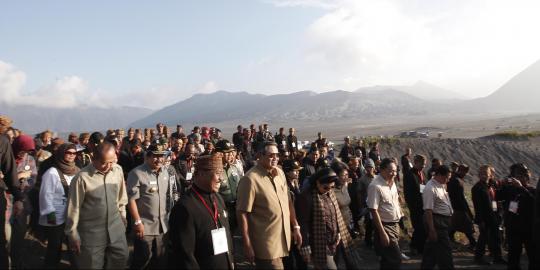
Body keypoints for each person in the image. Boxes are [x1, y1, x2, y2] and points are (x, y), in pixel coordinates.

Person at [236, 142, 302, 269]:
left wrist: (296, 227)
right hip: (266, 245)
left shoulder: (280, 173)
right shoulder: (250, 179)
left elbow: (288, 201)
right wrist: (247, 244)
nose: (275, 158)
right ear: (260, 156)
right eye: (271, 155)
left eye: (277, 155)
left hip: (284, 239)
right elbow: (242, 213)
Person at [65, 142, 129, 269]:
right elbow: (73, 208)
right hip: (91, 234)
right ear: (94, 159)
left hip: (116, 229)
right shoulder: (81, 178)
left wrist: (122, 215)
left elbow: (122, 197)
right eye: (104, 162)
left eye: (111, 162)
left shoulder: (117, 170)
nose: (108, 166)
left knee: (121, 260)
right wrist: (73, 234)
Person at [168, 153, 234, 269]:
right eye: (217, 174)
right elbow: (185, 255)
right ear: (201, 174)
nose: (221, 179)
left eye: (221, 173)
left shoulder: (217, 198)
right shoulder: (184, 207)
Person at [296, 168, 358, 269]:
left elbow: (336, 214)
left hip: (334, 241)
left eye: (332, 187)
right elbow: (303, 223)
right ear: (317, 183)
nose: (329, 190)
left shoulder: (330, 193)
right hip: (318, 244)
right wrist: (305, 246)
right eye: (326, 187)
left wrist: (338, 232)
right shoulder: (306, 197)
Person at [127, 141, 174, 269]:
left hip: (163, 226)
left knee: (161, 260)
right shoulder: (136, 173)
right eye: (155, 156)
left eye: (161, 156)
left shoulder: (165, 172)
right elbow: (131, 200)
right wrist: (137, 222)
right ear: (147, 156)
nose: (159, 159)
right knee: (142, 261)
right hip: (145, 226)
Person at [39, 143, 79, 268]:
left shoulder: (77, 171)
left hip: (71, 213)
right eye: (68, 153)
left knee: (73, 244)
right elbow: (46, 194)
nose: (71, 155)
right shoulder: (52, 172)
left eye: (74, 153)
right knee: (55, 246)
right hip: (55, 215)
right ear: (62, 153)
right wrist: (50, 213)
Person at [367, 158, 404, 270]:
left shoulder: (391, 182)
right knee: (396, 259)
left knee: (387, 260)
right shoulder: (375, 186)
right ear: (381, 170)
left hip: (394, 224)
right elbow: (373, 210)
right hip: (385, 226)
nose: (394, 173)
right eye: (391, 171)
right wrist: (382, 233)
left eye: (395, 171)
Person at [498, 163, 535, 269]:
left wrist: (521, 188)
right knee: (513, 257)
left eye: (520, 176)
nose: (517, 179)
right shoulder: (510, 190)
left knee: (533, 256)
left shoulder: (532, 190)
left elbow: (533, 201)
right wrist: (502, 186)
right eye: (515, 176)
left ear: (526, 178)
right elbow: (498, 197)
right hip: (513, 228)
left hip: (529, 229)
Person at [10, 134, 38, 268]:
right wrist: (19, 176)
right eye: (22, 150)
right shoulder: (6, 157)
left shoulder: (30, 160)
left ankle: (18, 261)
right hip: (7, 200)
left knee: (20, 235)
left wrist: (21, 187)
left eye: (27, 151)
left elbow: (32, 180)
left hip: (23, 201)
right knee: (6, 235)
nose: (24, 154)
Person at [0, 115, 24, 269]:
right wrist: (18, 197)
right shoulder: (2, 141)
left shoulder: (2, 141)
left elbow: (9, 172)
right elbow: (10, 171)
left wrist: (18, 197)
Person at [421, 165, 454, 270]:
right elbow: (428, 210)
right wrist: (432, 229)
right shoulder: (430, 188)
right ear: (439, 175)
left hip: (443, 222)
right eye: (447, 177)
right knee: (445, 252)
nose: (448, 180)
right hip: (437, 223)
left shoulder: (441, 185)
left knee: (431, 253)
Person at [471, 165, 504, 265]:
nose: (483, 175)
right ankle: (478, 257)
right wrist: (480, 221)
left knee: (496, 237)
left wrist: (496, 211)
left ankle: (498, 257)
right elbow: (477, 206)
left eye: (485, 173)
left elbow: (493, 201)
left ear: (490, 174)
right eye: (481, 173)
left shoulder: (490, 186)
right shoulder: (477, 188)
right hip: (484, 218)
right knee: (483, 238)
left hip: (493, 216)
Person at [447, 164, 476, 248]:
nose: (465, 174)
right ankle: (473, 243)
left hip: (455, 207)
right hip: (459, 207)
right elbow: (460, 198)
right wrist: (467, 210)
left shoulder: (455, 179)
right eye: (465, 171)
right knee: (467, 226)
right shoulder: (456, 180)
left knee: (455, 225)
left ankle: (449, 238)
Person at [215, 140, 242, 232]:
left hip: (236, 207)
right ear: (219, 154)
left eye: (231, 152)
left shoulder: (234, 168)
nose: (230, 155)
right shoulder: (214, 171)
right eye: (226, 153)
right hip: (222, 209)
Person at [403, 154, 427, 254]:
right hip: (415, 206)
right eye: (422, 164)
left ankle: (419, 247)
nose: (423, 166)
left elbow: (423, 186)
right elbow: (408, 193)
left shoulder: (421, 173)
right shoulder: (410, 174)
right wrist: (412, 206)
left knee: (422, 227)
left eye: (425, 164)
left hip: (423, 204)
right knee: (419, 227)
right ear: (416, 162)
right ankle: (415, 247)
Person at [357, 158, 376, 247]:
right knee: (369, 223)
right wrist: (361, 205)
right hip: (367, 205)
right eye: (367, 167)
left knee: (376, 223)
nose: (369, 169)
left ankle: (376, 240)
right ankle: (368, 241)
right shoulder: (362, 179)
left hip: (376, 203)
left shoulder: (377, 178)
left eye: (370, 167)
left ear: (373, 168)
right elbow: (359, 193)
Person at [331, 161, 353, 229]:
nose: (346, 177)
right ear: (336, 176)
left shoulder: (345, 185)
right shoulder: (330, 191)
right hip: (338, 225)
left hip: (348, 222)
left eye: (347, 174)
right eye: (344, 175)